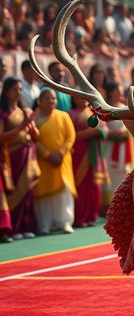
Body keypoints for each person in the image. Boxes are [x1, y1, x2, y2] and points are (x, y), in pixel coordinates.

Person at [0, 78, 40, 240]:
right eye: (15, 89)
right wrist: (22, 126)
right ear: (7, 92)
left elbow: (36, 135)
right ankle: (14, 228)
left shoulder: (25, 111)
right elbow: (1, 137)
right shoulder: (3, 113)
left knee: (28, 192)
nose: (18, 92)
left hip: (28, 154)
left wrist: (30, 127)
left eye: (20, 89)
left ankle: (26, 226)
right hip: (11, 157)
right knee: (15, 192)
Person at [33, 88, 77, 234]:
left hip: (62, 161)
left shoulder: (63, 116)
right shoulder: (35, 119)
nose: (51, 101)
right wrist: (47, 155)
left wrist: (60, 153)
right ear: (39, 101)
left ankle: (65, 222)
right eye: (47, 98)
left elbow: (70, 136)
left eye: (53, 98)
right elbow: (34, 140)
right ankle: (45, 224)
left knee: (63, 192)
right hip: (44, 162)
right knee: (44, 193)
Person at [68, 96, 109, 227]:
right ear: (74, 99)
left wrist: (101, 131)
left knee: (93, 185)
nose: (83, 99)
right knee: (81, 184)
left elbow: (105, 129)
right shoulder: (71, 114)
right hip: (79, 153)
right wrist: (89, 133)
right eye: (80, 96)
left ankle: (92, 215)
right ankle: (80, 217)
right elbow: (70, 135)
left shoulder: (93, 113)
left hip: (95, 153)